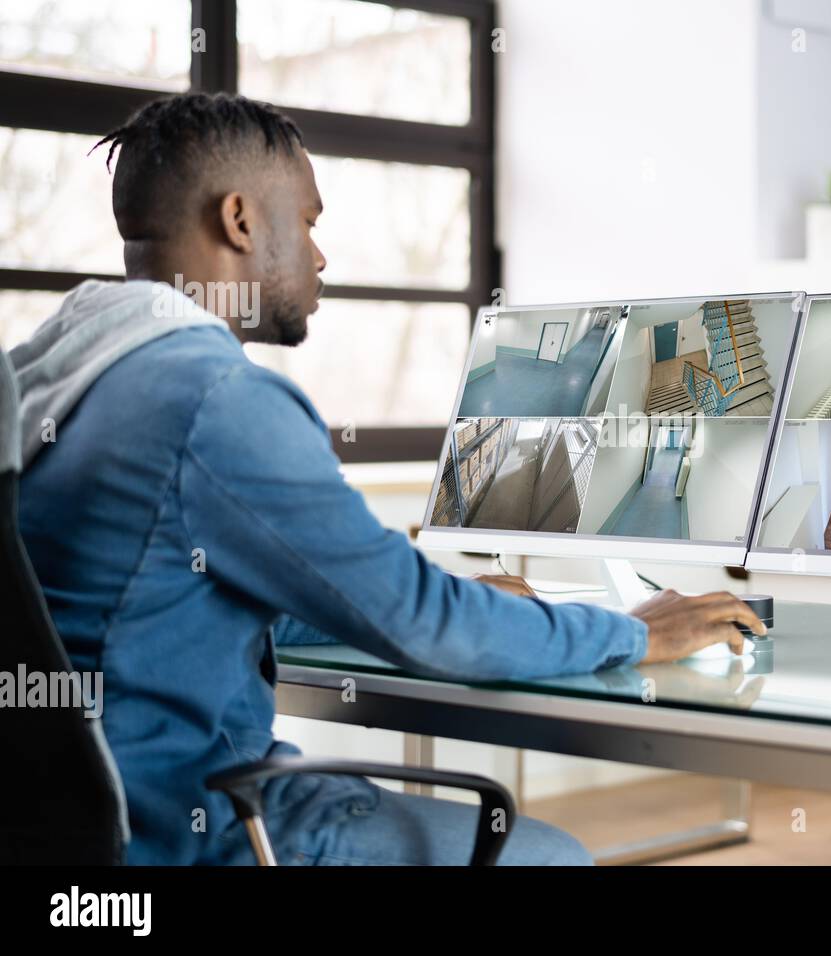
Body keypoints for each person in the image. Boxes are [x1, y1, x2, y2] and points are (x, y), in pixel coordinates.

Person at [11, 92, 764, 866]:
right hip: (193, 830)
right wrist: (633, 634)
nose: (321, 255)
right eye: (307, 222)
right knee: (549, 857)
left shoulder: (58, 381)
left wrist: (437, 599)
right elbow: (428, 628)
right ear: (238, 221)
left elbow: (176, 606)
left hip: (75, 833)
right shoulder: (218, 401)